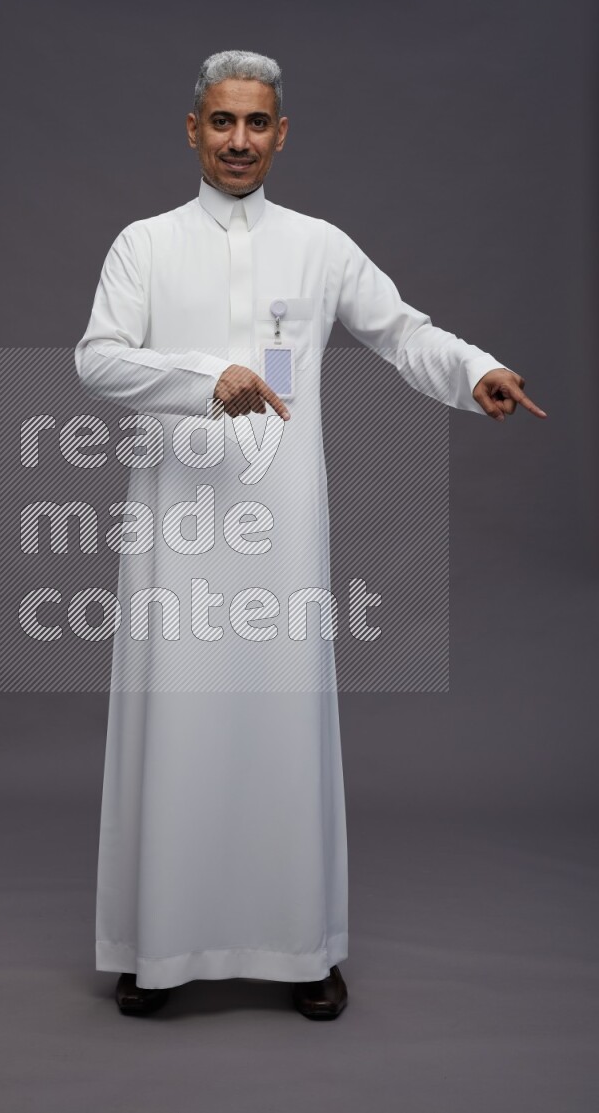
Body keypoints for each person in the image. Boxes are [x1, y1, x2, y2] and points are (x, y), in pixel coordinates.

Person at [74, 50, 546, 1020]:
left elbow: (401, 331)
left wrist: (474, 373)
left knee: (284, 727)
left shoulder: (318, 246)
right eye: (220, 123)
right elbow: (99, 360)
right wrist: (207, 377)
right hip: (177, 526)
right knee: (177, 724)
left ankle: (301, 950)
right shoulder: (144, 245)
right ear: (192, 131)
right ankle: (154, 948)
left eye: (256, 124)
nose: (238, 141)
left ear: (280, 134)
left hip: (281, 532)